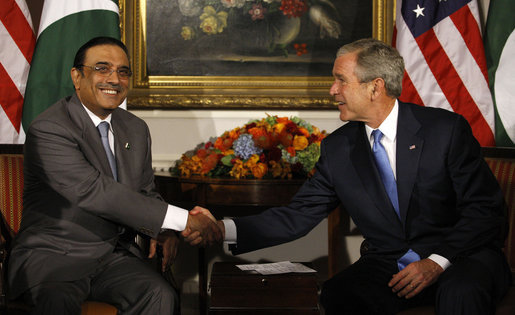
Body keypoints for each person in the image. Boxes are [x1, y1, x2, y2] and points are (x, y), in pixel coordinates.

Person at [186, 38, 512, 314]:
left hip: (460, 257)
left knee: (460, 293)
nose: (332, 90)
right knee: (339, 293)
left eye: (341, 80)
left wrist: (435, 262)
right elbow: (297, 216)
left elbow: (485, 211)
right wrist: (221, 228)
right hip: (391, 263)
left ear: (375, 87)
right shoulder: (338, 149)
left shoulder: (445, 130)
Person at [8, 36, 222, 315]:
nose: (114, 79)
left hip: (112, 257)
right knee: (56, 303)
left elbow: (145, 192)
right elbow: (94, 191)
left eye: (123, 72)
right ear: (77, 76)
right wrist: (184, 220)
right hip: (54, 257)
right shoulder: (50, 128)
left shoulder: (135, 128)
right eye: (102, 68)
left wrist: (166, 230)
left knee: (160, 295)